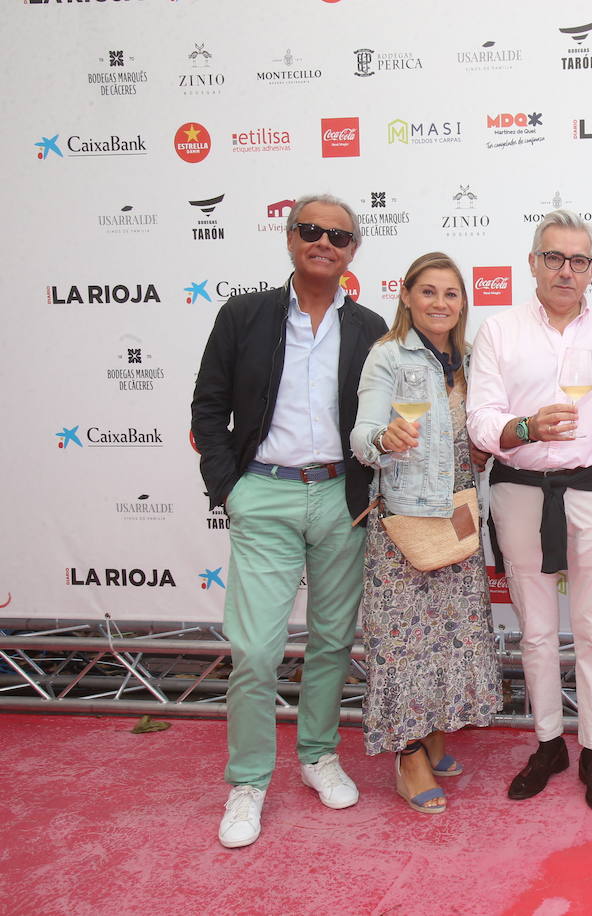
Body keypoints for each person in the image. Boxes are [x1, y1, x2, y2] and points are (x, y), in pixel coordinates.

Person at [191, 194, 388, 848]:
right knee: (254, 649)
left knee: (332, 642)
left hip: (340, 496)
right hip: (265, 495)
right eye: (311, 230)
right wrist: (231, 490)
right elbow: (208, 406)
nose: (323, 242)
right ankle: (248, 782)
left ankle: (317, 754)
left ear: (353, 249)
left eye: (338, 234)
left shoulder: (369, 328)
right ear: (290, 237)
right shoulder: (243, 315)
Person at [466, 210, 592, 812]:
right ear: (532, 262)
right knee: (536, 631)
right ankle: (546, 743)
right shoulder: (499, 330)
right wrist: (524, 427)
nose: (566, 270)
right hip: (517, 491)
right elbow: (480, 420)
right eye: (554, 258)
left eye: (579, 260)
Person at [350, 252, 502, 814]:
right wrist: (384, 440)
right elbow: (362, 434)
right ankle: (408, 754)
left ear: (463, 303)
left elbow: (474, 435)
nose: (441, 303)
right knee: (404, 643)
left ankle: (436, 729)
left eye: (452, 294)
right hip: (406, 520)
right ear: (408, 297)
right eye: (429, 292)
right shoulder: (387, 356)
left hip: (459, 511)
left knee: (451, 633)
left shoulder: (466, 359)